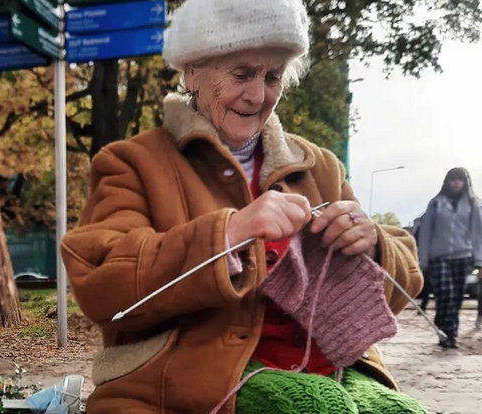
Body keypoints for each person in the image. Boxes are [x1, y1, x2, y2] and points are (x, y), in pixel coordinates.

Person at [60, 0, 425, 412]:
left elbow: (402, 286)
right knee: (317, 407)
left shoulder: (319, 166)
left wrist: (373, 244)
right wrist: (229, 233)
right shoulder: (131, 163)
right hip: (186, 374)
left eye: (273, 76)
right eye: (242, 74)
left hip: (334, 365)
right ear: (192, 71)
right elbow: (104, 287)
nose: (257, 95)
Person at [416, 167, 482, 345]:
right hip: (439, 257)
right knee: (446, 294)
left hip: (463, 257)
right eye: (453, 179)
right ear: (447, 181)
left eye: (460, 179)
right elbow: (426, 232)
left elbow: (477, 233)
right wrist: (423, 259)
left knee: (457, 297)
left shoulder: (473, 204)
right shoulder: (436, 203)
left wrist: (479, 260)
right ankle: (444, 326)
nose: (456, 183)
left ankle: (449, 334)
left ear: (465, 182)